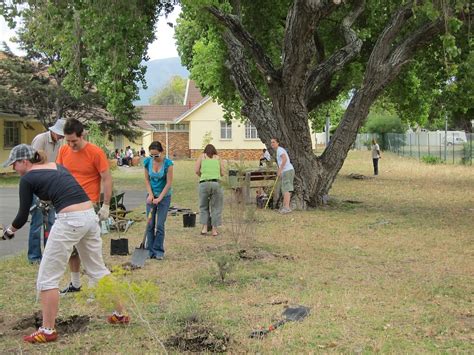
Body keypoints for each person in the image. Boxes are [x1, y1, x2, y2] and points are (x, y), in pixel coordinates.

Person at [1, 144, 128, 344]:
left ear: (24, 162)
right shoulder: (56, 166)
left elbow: (22, 216)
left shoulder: (27, 179)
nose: (13, 169)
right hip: (89, 216)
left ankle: (48, 330)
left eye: (14, 164)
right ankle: (120, 314)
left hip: (70, 220)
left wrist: (7, 233)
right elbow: (59, 191)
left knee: (47, 277)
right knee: (97, 269)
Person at [56, 118, 112, 294]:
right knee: (70, 249)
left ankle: (94, 285)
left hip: (89, 205)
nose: (71, 145)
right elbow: (59, 175)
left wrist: (106, 205)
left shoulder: (95, 152)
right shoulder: (64, 150)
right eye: (68, 141)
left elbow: (107, 178)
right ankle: (75, 283)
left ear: (82, 135)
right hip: (67, 206)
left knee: (90, 248)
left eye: (74, 141)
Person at [28, 118, 65, 263]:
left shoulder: (59, 142)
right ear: (53, 131)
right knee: (37, 222)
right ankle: (34, 256)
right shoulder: (41, 139)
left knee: (51, 221)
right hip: (37, 184)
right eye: (60, 134)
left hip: (51, 184)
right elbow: (34, 162)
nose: (62, 137)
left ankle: (49, 255)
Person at [144, 141, 173, 259]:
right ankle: (149, 251)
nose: (154, 158)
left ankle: (158, 251)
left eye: (156, 155)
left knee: (160, 225)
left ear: (162, 152)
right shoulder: (147, 162)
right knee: (150, 224)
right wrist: (150, 195)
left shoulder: (168, 164)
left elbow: (169, 183)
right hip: (151, 196)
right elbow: (146, 180)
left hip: (164, 197)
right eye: (151, 155)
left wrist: (160, 198)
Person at [195, 144, 224, 236]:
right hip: (216, 183)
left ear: (205, 151)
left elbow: (196, 170)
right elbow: (223, 172)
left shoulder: (201, 157)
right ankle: (214, 230)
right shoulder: (218, 158)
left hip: (204, 183)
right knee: (216, 207)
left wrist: (202, 176)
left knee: (203, 206)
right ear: (215, 151)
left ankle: (204, 228)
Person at [270, 138, 295, 214]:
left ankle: (287, 208)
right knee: (285, 189)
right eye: (271, 142)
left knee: (286, 189)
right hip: (287, 171)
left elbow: (284, 159)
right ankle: (285, 207)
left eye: (274, 142)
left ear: (278, 143)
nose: (272, 144)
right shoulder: (279, 150)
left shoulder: (280, 150)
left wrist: (280, 170)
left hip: (287, 171)